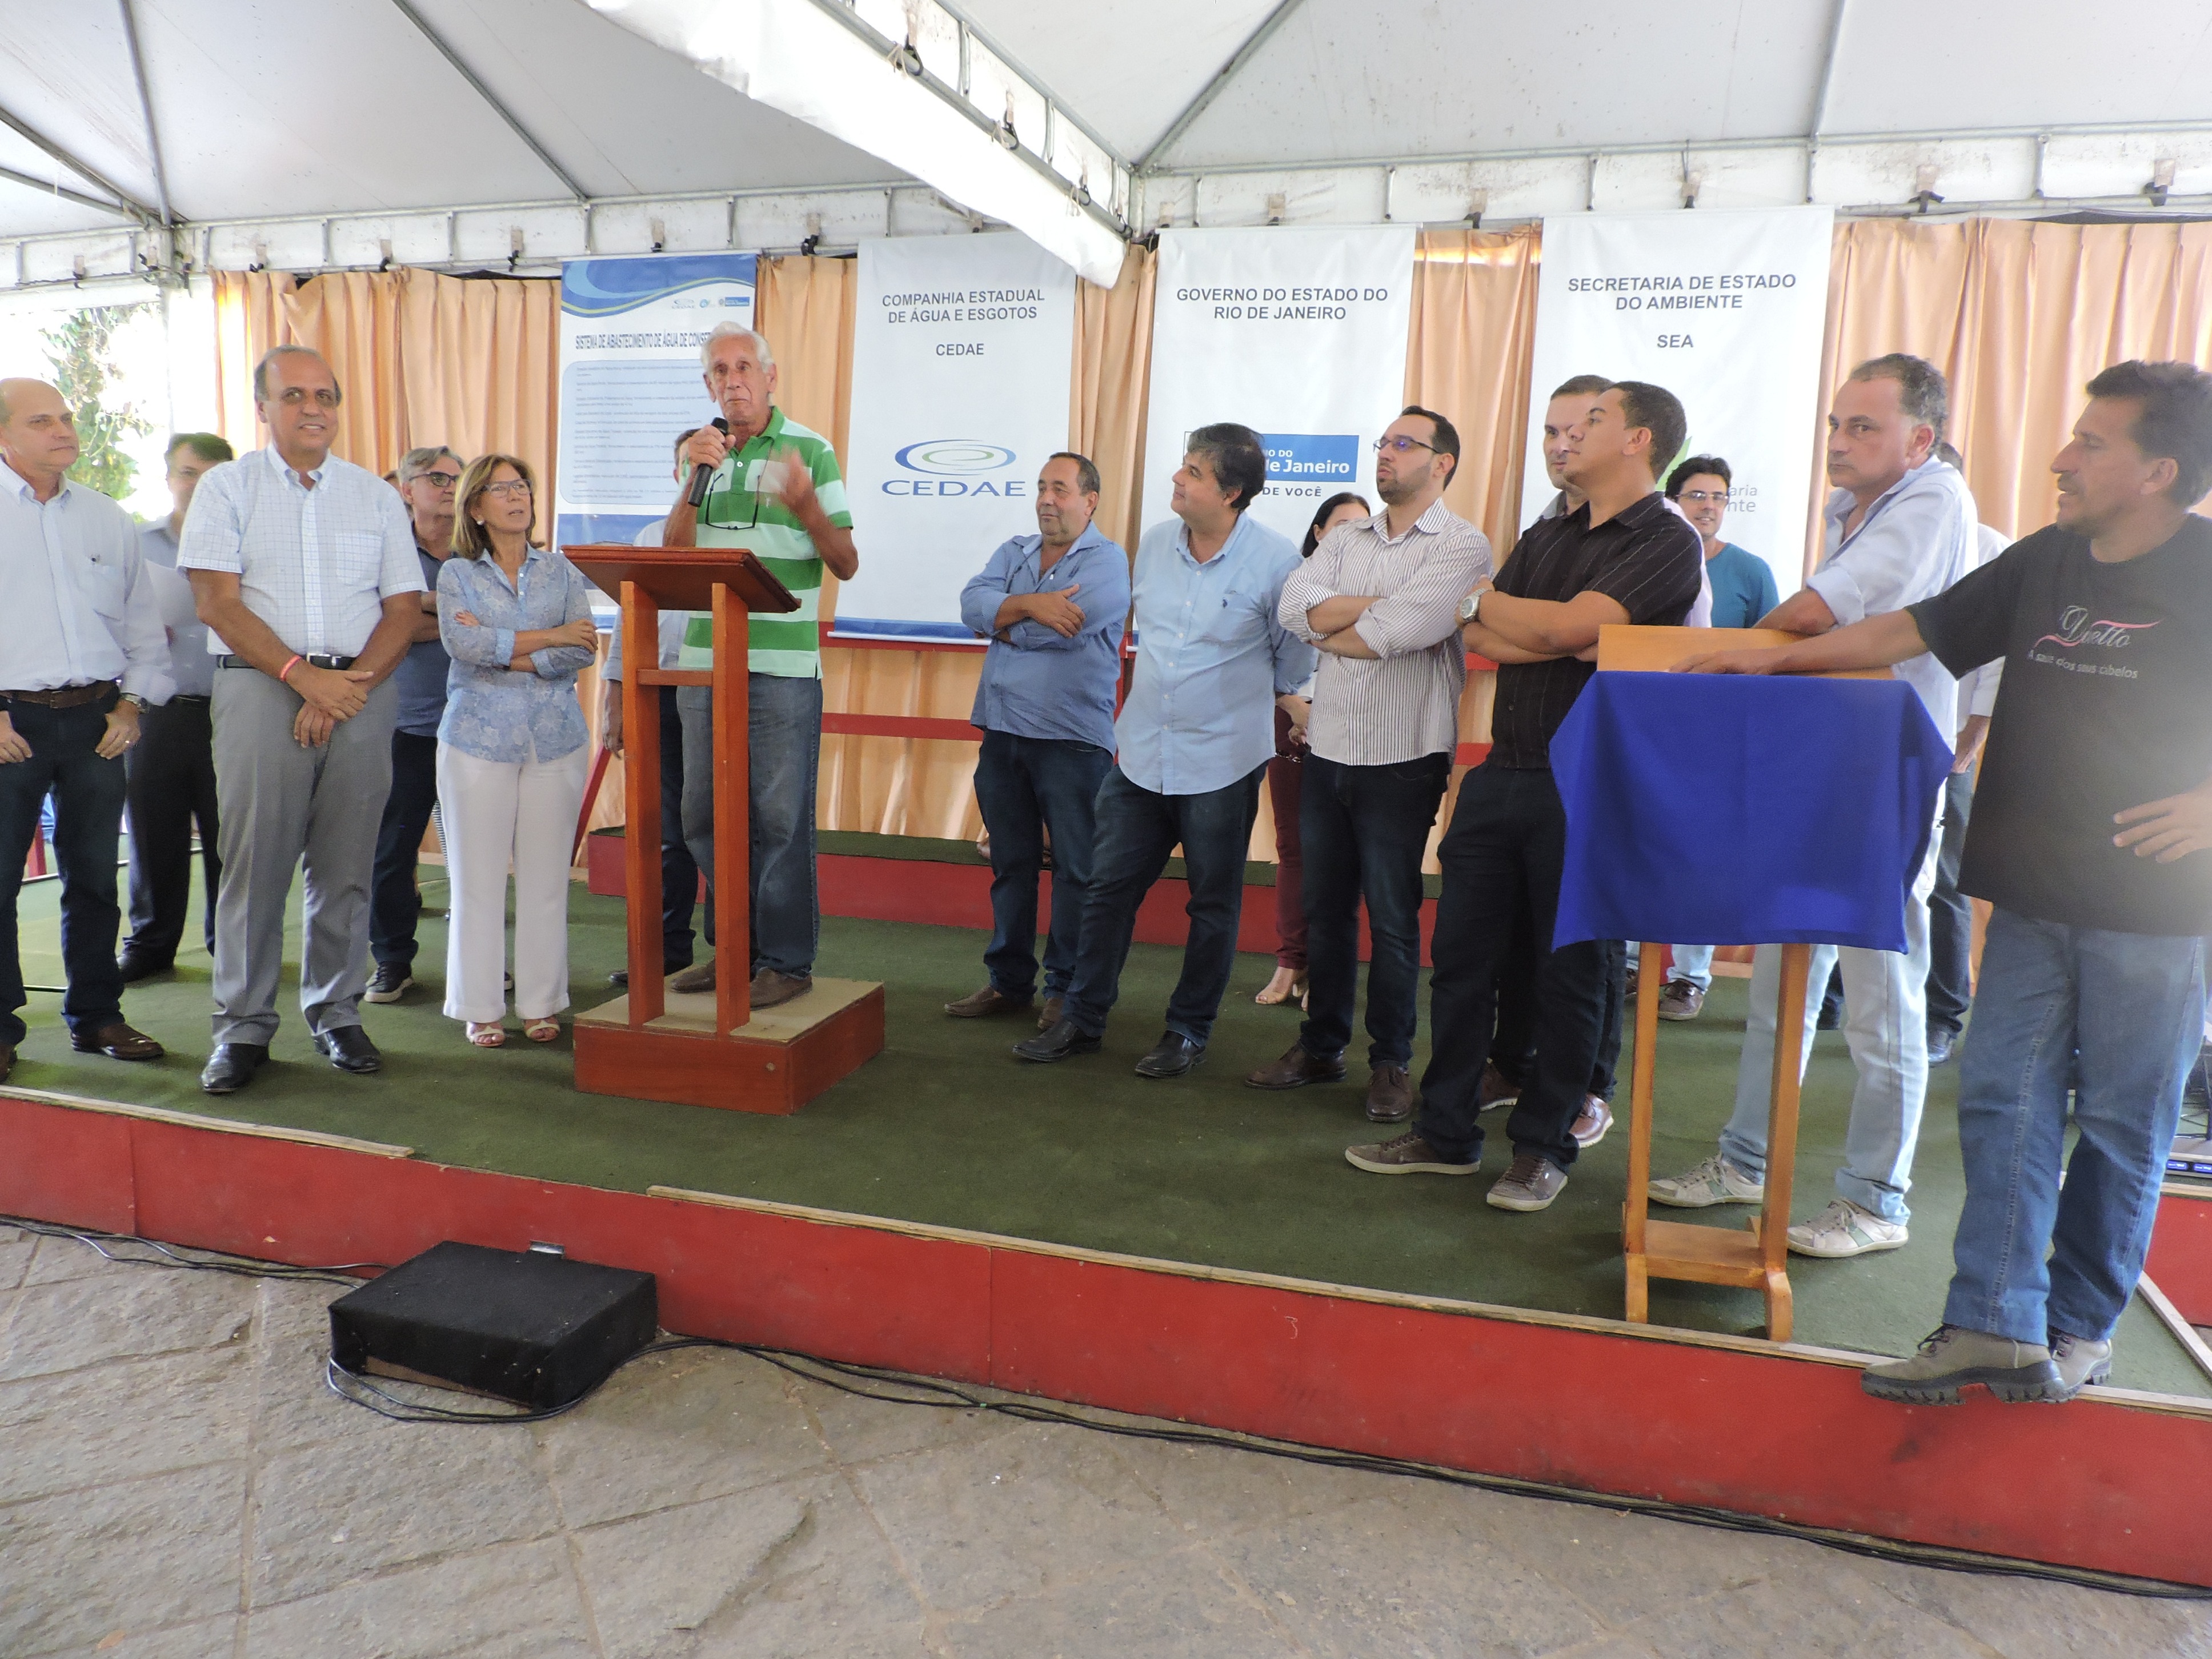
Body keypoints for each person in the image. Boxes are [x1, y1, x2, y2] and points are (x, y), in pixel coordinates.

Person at [1682, 361, 2212, 1406]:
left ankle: (2078, 1327)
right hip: (2028, 891)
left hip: (2156, 909)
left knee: (2119, 1125)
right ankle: (1992, 1322)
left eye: (2091, 444)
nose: (2061, 458)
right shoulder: (2044, 558)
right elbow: (1913, 629)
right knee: (2001, 1105)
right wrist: (1773, 660)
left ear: (2157, 471)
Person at [1649, 355, 1978, 1258]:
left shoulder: (1934, 497)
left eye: (1864, 427)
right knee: (1782, 983)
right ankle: (1746, 1159)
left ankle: (1876, 1200)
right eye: (1836, 424)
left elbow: (1819, 614)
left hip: (1888, 780)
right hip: (1825, 767)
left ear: (1921, 438)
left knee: (1880, 1000)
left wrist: (1732, 656)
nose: (1840, 441)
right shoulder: (1851, 505)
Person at [1345, 381, 1702, 1212]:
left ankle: (1542, 1149)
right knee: (1461, 963)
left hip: (1588, 781)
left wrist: (1522, 617)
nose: (1566, 438)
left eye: (1591, 423)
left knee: (1568, 976)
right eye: (1557, 428)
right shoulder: (1548, 532)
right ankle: (1443, 1134)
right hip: (1503, 771)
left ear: (1639, 440)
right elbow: (1479, 632)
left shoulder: (1665, 538)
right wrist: (1538, 626)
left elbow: (1554, 627)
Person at [1015, 423, 1316, 1076]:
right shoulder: (1152, 544)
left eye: (1194, 473)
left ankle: (1187, 1031)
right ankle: (1081, 1018)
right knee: (1105, 891)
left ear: (1231, 493)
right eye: (1182, 466)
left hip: (1221, 762)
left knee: (1211, 905)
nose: (1177, 479)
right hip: (1141, 755)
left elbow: (1291, 662)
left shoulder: (1277, 563)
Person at [178, 345, 425, 1093]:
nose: (312, 408)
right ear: (263, 407)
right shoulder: (227, 487)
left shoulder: (374, 495)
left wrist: (345, 689)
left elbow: (403, 608)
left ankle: (336, 1013)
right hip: (260, 688)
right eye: (294, 395)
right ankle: (242, 1027)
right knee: (254, 867)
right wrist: (303, 678)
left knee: (347, 865)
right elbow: (217, 603)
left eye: (324, 395)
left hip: (360, 692)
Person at [1249, 410, 1490, 1122]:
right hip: (1327, 749)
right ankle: (1320, 1046)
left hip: (1403, 756)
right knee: (1324, 911)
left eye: (1403, 444)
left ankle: (1390, 1062)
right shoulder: (1345, 537)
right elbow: (1293, 608)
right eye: (1383, 443)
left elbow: (1404, 631)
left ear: (1442, 463)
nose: (1385, 453)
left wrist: (1342, 623)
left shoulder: (1461, 544)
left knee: (1390, 917)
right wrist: (1376, 610)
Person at [661, 324, 856, 1011]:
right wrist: (693, 479)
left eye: (745, 366)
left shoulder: (810, 450)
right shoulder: (700, 455)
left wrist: (806, 506)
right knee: (703, 814)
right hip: (703, 664)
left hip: (781, 667)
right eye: (720, 370)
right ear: (708, 385)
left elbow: (845, 562)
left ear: (770, 378)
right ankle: (733, 953)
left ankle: (786, 961)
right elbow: (673, 554)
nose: (733, 379)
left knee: (778, 818)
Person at [0, 378, 174, 1083]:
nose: (64, 430)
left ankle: (98, 1014)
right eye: (42, 420)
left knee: (96, 879)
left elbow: (143, 624)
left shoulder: (105, 516)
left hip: (98, 719)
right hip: (9, 723)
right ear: (4, 435)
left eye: (66, 417)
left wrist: (133, 706)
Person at [946, 452, 1129, 1031]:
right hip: (1002, 733)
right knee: (1011, 863)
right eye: (1042, 487)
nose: (1047, 499)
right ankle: (1008, 983)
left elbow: (1064, 630)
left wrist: (1002, 623)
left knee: (1076, 869)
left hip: (1070, 741)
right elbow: (969, 606)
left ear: (1089, 501)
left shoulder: (1108, 561)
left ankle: (1066, 990)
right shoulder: (1014, 551)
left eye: (1061, 489)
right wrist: (1030, 605)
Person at [434, 455, 599, 1046]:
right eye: (501, 488)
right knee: (476, 881)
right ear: (476, 507)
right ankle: (480, 1008)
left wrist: (510, 650)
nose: (517, 496)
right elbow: (464, 645)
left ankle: (540, 1003)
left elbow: (583, 648)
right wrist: (550, 637)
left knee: (547, 879)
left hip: (556, 738)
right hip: (476, 740)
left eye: (522, 485)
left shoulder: (561, 571)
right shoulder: (457, 574)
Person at [1629, 454, 1784, 1023]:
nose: (1709, 506)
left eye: (1719, 497)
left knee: (1702, 855)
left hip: (1720, 737)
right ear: (1672, 502)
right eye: (1697, 495)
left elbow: (1774, 651)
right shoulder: (1646, 561)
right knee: (1640, 844)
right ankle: (1629, 962)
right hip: (1651, 727)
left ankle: (1688, 977)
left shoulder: (1750, 571)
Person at [118, 432, 233, 981]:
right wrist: (133, 630)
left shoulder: (248, 545)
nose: (199, 486)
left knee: (229, 832)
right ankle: (150, 944)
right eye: (189, 473)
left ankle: (230, 941)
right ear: (168, 478)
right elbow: (102, 614)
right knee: (152, 829)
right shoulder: (136, 543)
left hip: (232, 707)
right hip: (154, 708)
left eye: (212, 476)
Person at [1256, 491, 1369, 1011]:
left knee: (1344, 853)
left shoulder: (1379, 590)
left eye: (1363, 527)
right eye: (1341, 524)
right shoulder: (1292, 584)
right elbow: (1260, 657)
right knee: (1294, 849)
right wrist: (1293, 706)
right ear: (1319, 532)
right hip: (1293, 721)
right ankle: (1291, 959)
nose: (1352, 535)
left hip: (1359, 730)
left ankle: (1326, 967)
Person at [601, 428, 703, 989]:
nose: (697, 474)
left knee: (720, 824)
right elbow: (626, 627)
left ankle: (739, 952)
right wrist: (614, 698)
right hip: (659, 694)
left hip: (720, 692)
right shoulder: (647, 538)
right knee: (668, 830)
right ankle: (669, 950)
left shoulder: (741, 534)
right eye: (688, 464)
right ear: (675, 473)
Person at [364, 445, 463, 1004]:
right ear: (406, 489)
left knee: (476, 854)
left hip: (475, 728)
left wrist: (420, 610)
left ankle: (478, 965)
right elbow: (380, 628)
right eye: (436, 478)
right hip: (405, 727)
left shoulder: (481, 551)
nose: (449, 487)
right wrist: (453, 618)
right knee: (392, 851)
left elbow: (499, 625)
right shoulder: (386, 551)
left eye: (457, 478)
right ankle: (392, 960)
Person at [1925, 442, 2005, 1067]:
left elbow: (2000, 657)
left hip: (1948, 738)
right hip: (1881, 731)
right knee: (1866, 870)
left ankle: (1943, 1014)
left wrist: (1972, 737)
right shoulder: (1886, 539)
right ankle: (1835, 997)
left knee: (1944, 882)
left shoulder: (1991, 550)